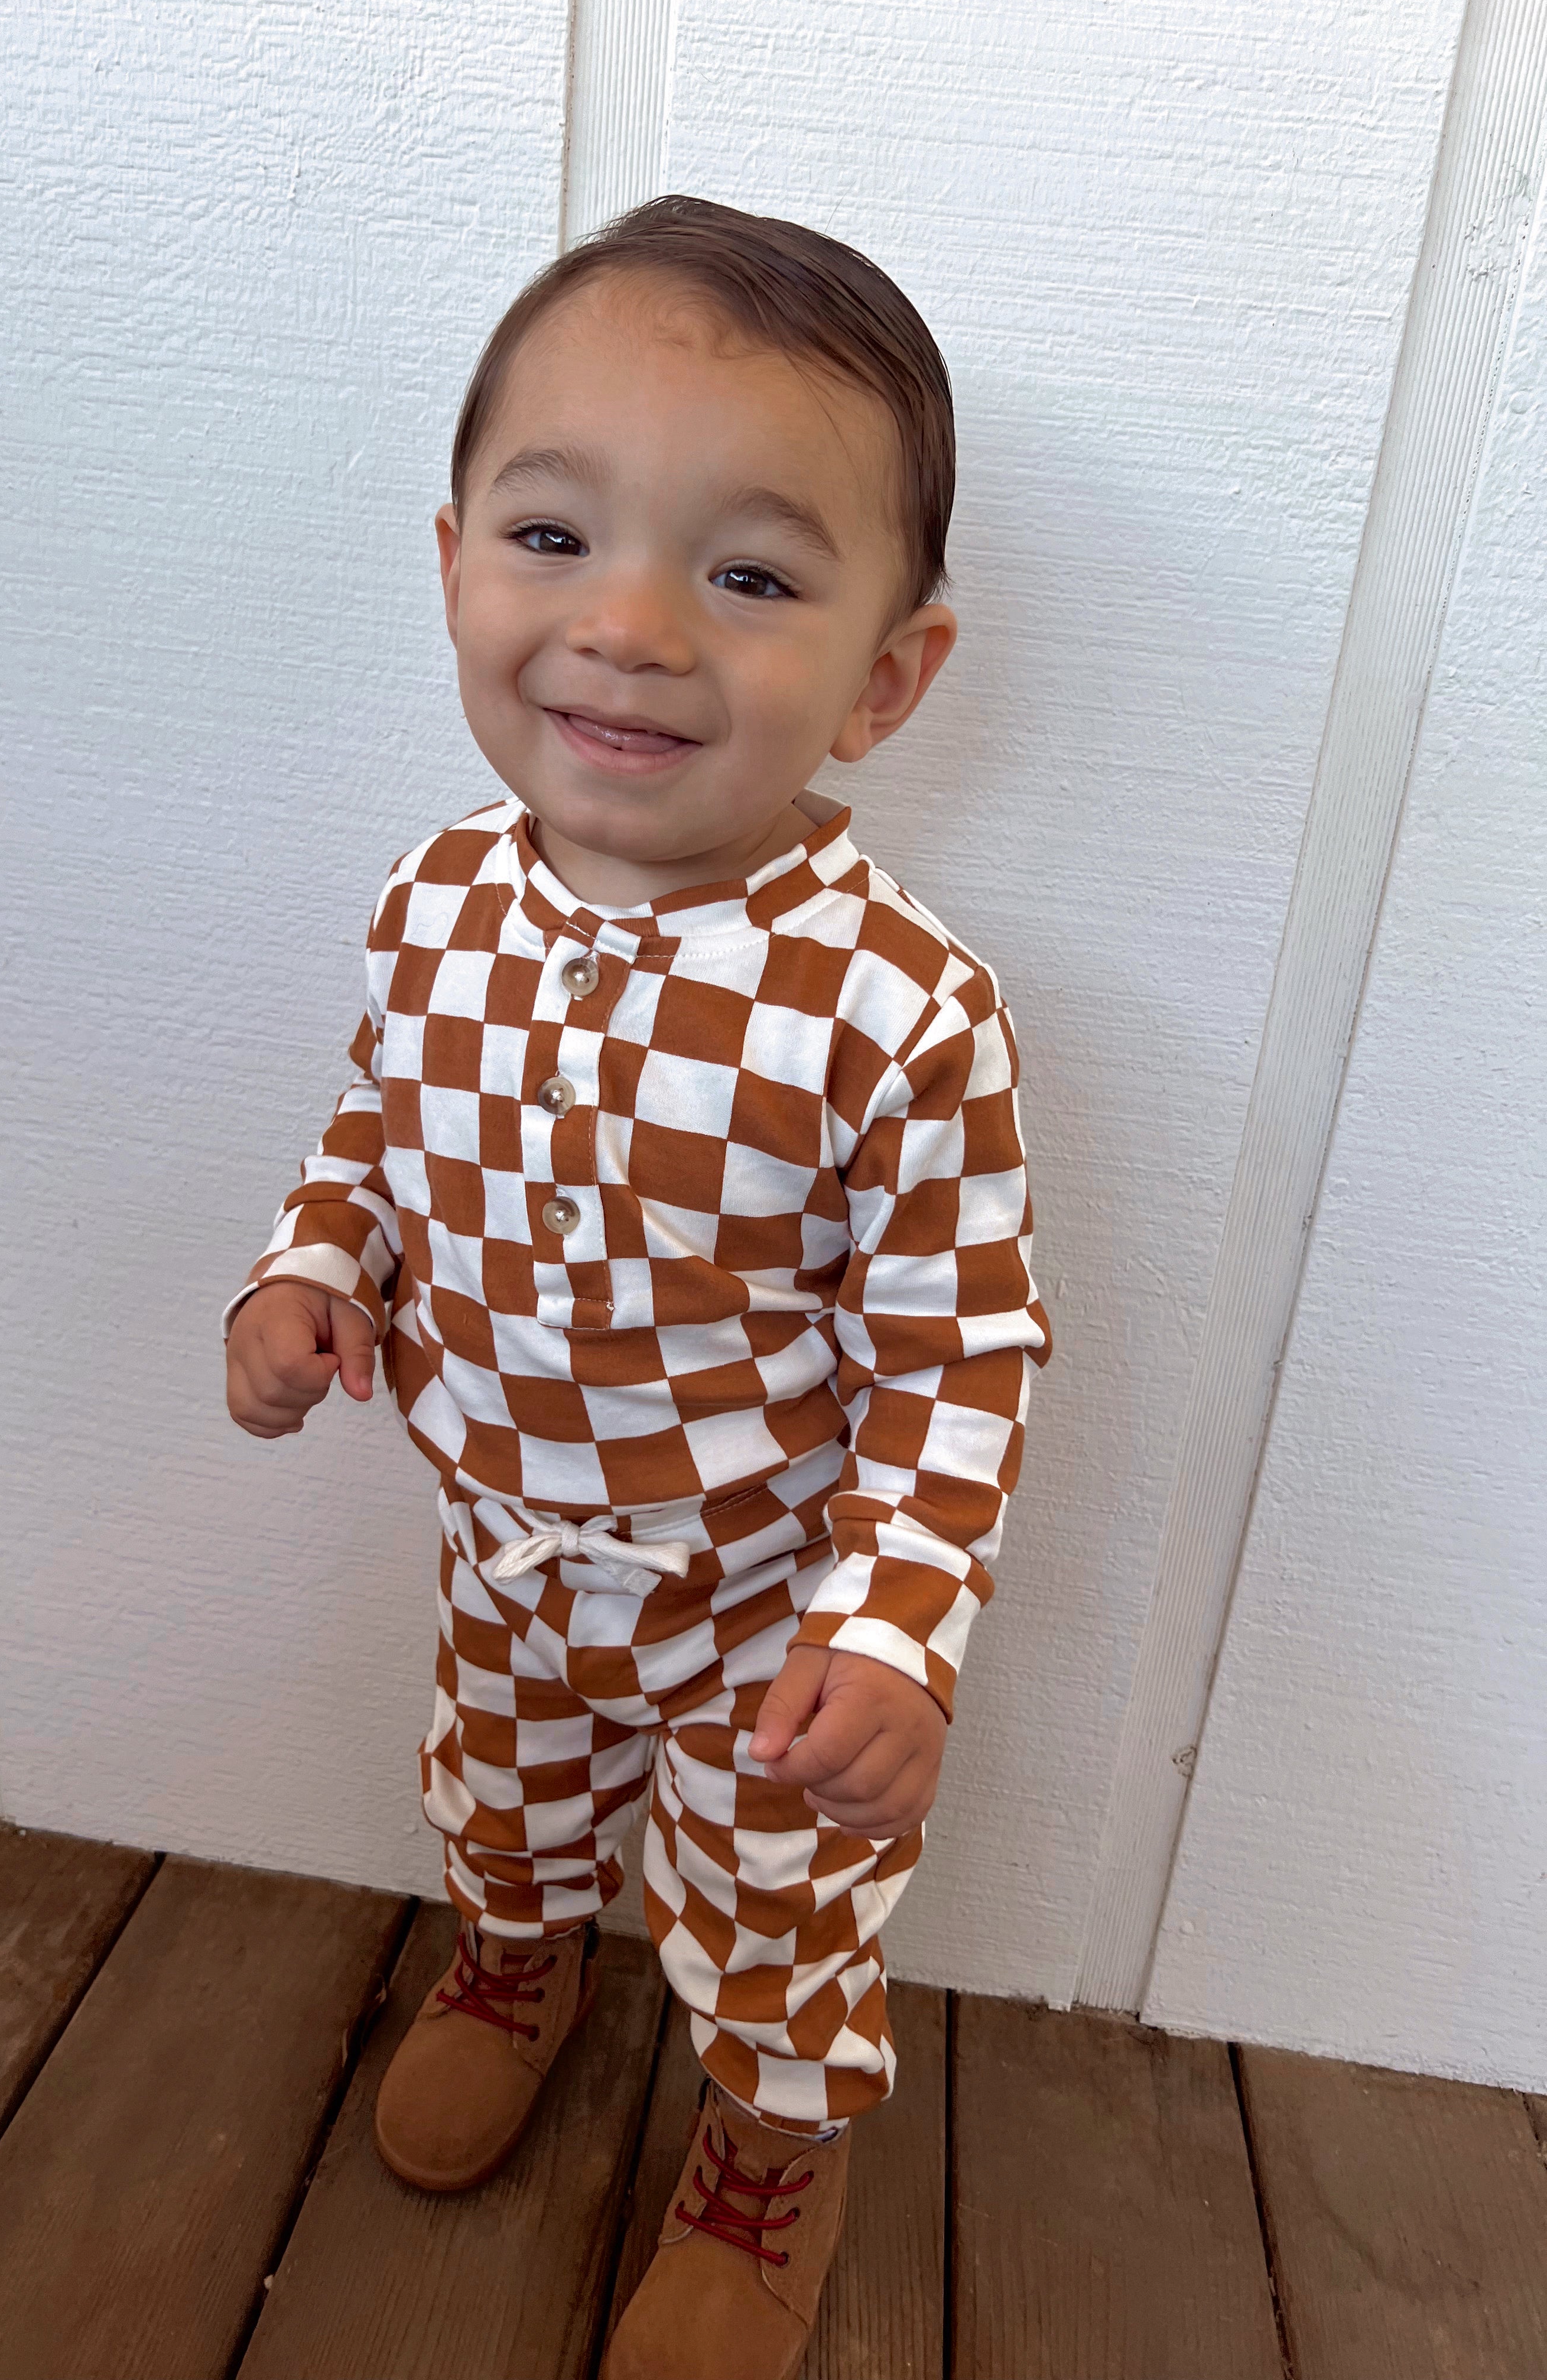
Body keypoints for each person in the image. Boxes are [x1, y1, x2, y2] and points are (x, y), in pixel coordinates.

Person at [224, 194, 1051, 2380]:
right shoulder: (436, 903)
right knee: (498, 1795)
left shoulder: (894, 1010)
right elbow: (377, 1123)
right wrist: (316, 1263)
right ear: (453, 564)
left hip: (762, 1608)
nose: (635, 627)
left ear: (888, 673)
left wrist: (897, 1634)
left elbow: (959, 1354)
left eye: (752, 575)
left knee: (779, 1912)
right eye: (556, 536)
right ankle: (517, 1954)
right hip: (505, 1545)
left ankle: (777, 2143)